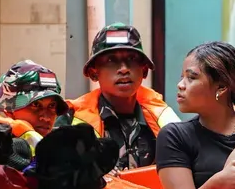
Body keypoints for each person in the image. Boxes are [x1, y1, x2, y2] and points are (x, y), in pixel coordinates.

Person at [157, 42, 235, 189]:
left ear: (222, 87)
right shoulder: (174, 136)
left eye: (191, 78)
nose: (180, 85)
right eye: (182, 77)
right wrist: (218, 183)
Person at [68, 23, 181, 170]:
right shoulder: (70, 120)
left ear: (144, 70)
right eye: (110, 60)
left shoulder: (162, 121)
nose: (124, 69)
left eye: (132, 59)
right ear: (94, 73)